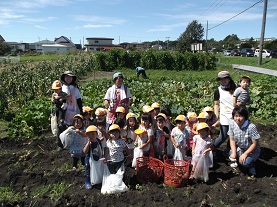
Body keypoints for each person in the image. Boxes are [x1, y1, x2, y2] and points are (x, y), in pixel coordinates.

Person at [228, 106, 260, 180]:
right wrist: (234, 152)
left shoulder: (251, 127)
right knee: (230, 154)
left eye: (241, 116)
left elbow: (255, 144)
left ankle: (251, 167)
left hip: (252, 150)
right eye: (236, 116)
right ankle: (240, 160)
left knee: (245, 163)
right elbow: (232, 140)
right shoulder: (232, 124)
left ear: (245, 117)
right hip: (241, 148)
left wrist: (245, 154)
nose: (238, 119)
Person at [213, 71, 237, 156]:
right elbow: (216, 104)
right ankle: (213, 148)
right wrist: (216, 115)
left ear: (229, 79)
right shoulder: (218, 90)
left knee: (234, 135)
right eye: (221, 79)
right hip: (224, 115)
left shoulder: (236, 89)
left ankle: (227, 150)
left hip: (236, 115)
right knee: (223, 136)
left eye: (225, 79)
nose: (223, 81)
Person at [83, 125, 104, 189]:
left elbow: (100, 148)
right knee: (88, 169)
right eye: (89, 135)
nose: (91, 136)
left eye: (93, 134)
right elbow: (84, 151)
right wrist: (88, 143)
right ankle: (87, 181)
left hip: (97, 157)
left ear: (96, 134)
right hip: (89, 159)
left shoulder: (98, 141)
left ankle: (97, 179)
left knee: (98, 169)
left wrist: (102, 155)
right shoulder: (88, 143)